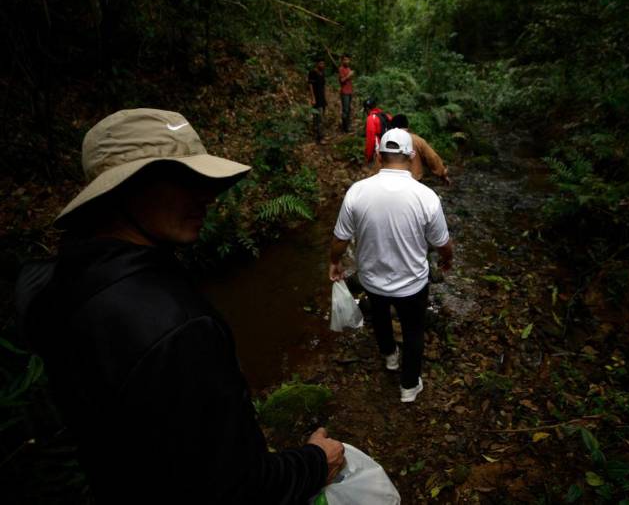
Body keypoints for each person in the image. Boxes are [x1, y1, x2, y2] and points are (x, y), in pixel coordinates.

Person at [15, 109, 344, 504]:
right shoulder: (178, 327)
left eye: (202, 180)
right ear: (121, 191)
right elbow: (236, 488)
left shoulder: (51, 285)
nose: (206, 196)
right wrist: (313, 461)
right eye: (181, 180)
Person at [329, 128, 453, 403]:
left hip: (373, 280)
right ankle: (409, 386)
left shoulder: (357, 191)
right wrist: (447, 260)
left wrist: (335, 262)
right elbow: (443, 243)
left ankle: (389, 358)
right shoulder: (426, 197)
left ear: (378, 155)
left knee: (381, 317)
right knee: (413, 330)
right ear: (410, 156)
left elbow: (340, 238)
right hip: (412, 284)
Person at [375, 114, 450, 184]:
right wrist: (442, 173)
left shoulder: (386, 140)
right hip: (415, 180)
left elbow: (379, 163)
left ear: (392, 127)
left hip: (390, 181)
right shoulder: (418, 140)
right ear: (407, 126)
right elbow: (432, 158)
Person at [363, 98, 393, 165]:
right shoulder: (386, 116)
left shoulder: (371, 119)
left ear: (367, 109)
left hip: (379, 153)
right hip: (392, 152)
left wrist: (368, 157)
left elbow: (371, 139)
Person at [308, 56, 327, 143]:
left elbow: (323, 86)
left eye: (323, 63)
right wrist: (313, 98)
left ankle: (319, 135)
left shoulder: (322, 73)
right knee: (319, 118)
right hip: (316, 98)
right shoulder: (312, 73)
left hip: (322, 98)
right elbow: (310, 85)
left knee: (320, 117)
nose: (322, 65)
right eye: (321, 63)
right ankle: (320, 137)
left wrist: (325, 97)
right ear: (317, 64)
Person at [338, 53, 354, 133]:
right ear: (342, 61)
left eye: (347, 59)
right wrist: (349, 75)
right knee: (345, 110)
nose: (346, 61)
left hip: (350, 91)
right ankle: (344, 129)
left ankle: (347, 127)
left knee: (349, 110)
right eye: (345, 59)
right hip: (344, 92)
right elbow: (342, 80)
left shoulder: (349, 69)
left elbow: (350, 81)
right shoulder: (341, 69)